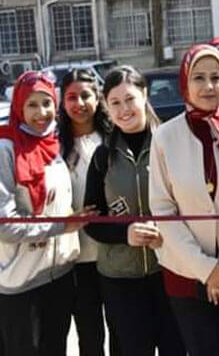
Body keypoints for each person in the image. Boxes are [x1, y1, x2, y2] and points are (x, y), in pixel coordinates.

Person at [149, 45, 219, 356]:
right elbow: (162, 208)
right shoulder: (164, 137)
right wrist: (206, 268)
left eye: (216, 77)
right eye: (199, 77)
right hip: (186, 272)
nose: (209, 86)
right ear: (185, 81)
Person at [84, 66, 184, 356]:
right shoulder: (103, 157)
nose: (124, 109)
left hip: (169, 270)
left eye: (129, 99)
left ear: (144, 94)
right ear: (106, 106)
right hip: (120, 280)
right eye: (115, 103)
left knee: (174, 347)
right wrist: (124, 233)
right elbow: (92, 219)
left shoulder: (172, 144)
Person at [0, 71, 89, 355]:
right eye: (32, 105)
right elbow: (5, 225)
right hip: (20, 282)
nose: (42, 113)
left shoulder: (55, 145)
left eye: (47, 103)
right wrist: (63, 226)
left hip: (59, 276)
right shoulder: (6, 149)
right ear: (18, 108)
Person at [58, 69, 115, 356]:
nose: (79, 103)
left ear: (98, 98)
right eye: (71, 97)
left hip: (114, 252)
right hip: (76, 257)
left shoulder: (113, 138)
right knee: (89, 335)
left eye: (85, 95)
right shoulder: (54, 147)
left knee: (121, 331)